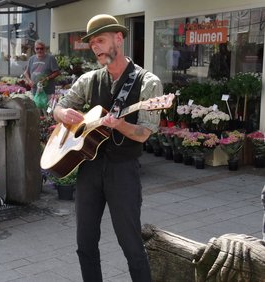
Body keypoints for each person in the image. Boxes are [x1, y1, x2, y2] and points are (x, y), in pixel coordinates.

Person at [53, 14, 163, 281]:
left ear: (118, 38)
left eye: (100, 41)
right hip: (88, 169)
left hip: (123, 172)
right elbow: (57, 107)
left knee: (132, 246)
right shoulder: (89, 80)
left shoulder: (148, 83)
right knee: (85, 244)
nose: (96, 48)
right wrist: (63, 113)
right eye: (92, 45)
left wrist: (120, 125)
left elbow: (143, 133)